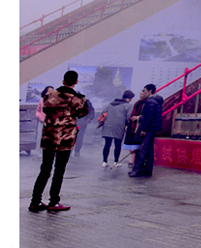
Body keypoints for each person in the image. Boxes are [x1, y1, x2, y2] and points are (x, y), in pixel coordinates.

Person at [29, 70, 90, 212]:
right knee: (59, 171)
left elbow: (45, 109)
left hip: (49, 137)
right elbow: (82, 113)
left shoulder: (50, 95)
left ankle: (35, 201)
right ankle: (54, 202)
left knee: (45, 170)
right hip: (65, 140)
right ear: (76, 82)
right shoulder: (78, 99)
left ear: (63, 81)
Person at [128, 84, 163, 178]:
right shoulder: (156, 101)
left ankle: (137, 170)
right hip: (153, 128)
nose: (144, 92)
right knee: (149, 150)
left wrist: (144, 129)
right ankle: (147, 170)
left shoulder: (150, 101)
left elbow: (148, 117)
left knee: (143, 149)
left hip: (149, 129)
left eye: (145, 90)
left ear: (150, 91)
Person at [100, 90, 135, 169]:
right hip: (119, 127)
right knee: (117, 144)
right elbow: (129, 117)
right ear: (129, 98)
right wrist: (128, 126)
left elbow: (103, 113)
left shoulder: (110, 104)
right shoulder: (127, 106)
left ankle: (104, 161)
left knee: (107, 144)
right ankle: (116, 162)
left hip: (108, 126)